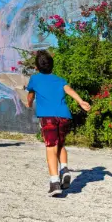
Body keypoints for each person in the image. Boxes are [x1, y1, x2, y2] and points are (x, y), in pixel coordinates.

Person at [26, 50, 91, 196]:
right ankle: (64, 169)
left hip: (47, 117)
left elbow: (30, 96)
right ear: (52, 66)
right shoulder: (60, 80)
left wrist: (29, 103)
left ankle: (55, 183)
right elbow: (69, 90)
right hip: (64, 117)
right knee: (60, 144)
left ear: (37, 67)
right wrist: (81, 102)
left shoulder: (35, 79)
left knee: (50, 147)